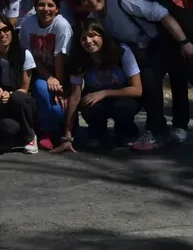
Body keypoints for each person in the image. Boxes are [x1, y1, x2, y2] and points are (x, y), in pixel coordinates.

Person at [80, 0, 193, 150]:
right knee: (150, 85)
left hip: (165, 39)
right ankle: (156, 130)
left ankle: (179, 126)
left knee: (177, 82)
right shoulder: (94, 17)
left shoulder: (122, 2)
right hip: (142, 50)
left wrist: (184, 41)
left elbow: (161, 14)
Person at [53, 19, 142, 153]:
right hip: (96, 98)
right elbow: (75, 96)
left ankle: (126, 131)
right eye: (83, 38)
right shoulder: (79, 58)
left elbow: (137, 90)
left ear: (102, 36)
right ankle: (97, 133)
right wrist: (67, 135)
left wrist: (105, 93)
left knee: (122, 108)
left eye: (93, 35)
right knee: (89, 105)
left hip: (123, 96)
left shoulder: (122, 51)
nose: (88, 41)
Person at [18, 0, 73, 150]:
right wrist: (49, 77)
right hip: (40, 72)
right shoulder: (28, 24)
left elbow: (60, 57)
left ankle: (63, 127)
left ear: (57, 8)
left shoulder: (62, 25)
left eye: (50, 5)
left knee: (58, 110)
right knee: (42, 89)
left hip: (62, 73)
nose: (46, 9)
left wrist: (60, 87)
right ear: (35, 7)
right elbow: (30, 56)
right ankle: (47, 132)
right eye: (41, 5)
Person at [0, 15, 38, 153]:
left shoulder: (25, 54)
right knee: (7, 127)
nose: (2, 34)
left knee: (18, 97)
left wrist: (10, 94)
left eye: (6, 29)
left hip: (19, 100)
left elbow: (25, 88)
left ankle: (31, 136)